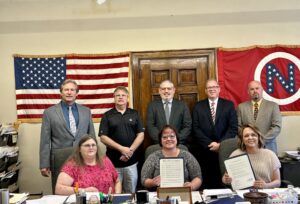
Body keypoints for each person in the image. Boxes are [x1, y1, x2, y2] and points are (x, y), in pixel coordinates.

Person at [39, 79, 95, 189]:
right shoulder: (49, 112)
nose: (69, 92)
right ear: (61, 92)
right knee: (61, 191)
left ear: (76, 93)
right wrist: (44, 164)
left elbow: (91, 136)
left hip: (83, 157)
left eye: (72, 90)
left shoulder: (86, 111)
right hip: (59, 158)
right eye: (66, 90)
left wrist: (94, 157)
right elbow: (45, 141)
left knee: (85, 189)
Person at [191, 79, 238, 189]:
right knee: (207, 182)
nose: (212, 89)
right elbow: (195, 128)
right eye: (209, 87)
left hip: (224, 150)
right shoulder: (198, 106)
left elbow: (233, 127)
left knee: (223, 182)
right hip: (204, 150)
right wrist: (210, 144)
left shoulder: (229, 105)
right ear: (206, 90)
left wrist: (221, 144)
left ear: (219, 89)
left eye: (214, 87)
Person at [99, 86, 145, 193]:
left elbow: (141, 135)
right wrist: (122, 149)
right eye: (117, 95)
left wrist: (129, 151)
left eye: (123, 95)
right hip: (113, 163)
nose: (120, 97)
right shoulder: (107, 115)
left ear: (127, 98)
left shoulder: (134, 113)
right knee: (114, 193)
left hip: (131, 162)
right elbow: (103, 137)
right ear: (114, 98)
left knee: (131, 192)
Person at [141, 125, 202, 191]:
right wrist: (152, 182)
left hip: (183, 192)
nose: (168, 139)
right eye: (164, 137)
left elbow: (197, 177)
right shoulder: (153, 157)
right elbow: (144, 179)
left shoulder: (187, 156)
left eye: (172, 136)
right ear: (160, 140)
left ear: (177, 138)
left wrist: (192, 186)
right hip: (159, 195)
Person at [55, 135, 121, 195]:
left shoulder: (105, 160)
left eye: (93, 145)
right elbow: (59, 189)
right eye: (87, 145)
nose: (91, 147)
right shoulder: (72, 165)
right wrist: (84, 191)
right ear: (79, 149)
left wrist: (116, 195)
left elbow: (117, 182)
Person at [222, 124, 281, 189]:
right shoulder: (235, 154)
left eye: (253, 135)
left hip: (265, 193)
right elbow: (225, 178)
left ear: (258, 137)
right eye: (246, 136)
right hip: (242, 193)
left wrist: (266, 185)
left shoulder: (270, 155)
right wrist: (225, 179)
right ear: (242, 140)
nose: (250, 138)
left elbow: (278, 182)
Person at [237, 80, 282, 154]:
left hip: (268, 147)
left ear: (262, 90)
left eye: (257, 88)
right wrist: (249, 140)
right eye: (252, 89)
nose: (255, 91)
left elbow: (276, 127)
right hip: (247, 148)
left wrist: (260, 140)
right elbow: (239, 127)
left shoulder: (273, 106)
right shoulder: (241, 107)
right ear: (248, 92)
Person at [147, 80, 192, 145]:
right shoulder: (152, 106)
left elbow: (187, 126)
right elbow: (150, 126)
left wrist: (176, 140)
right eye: (163, 89)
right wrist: (161, 140)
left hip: (179, 144)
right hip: (159, 144)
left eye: (169, 89)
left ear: (173, 90)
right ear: (159, 91)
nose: (166, 91)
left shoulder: (182, 105)